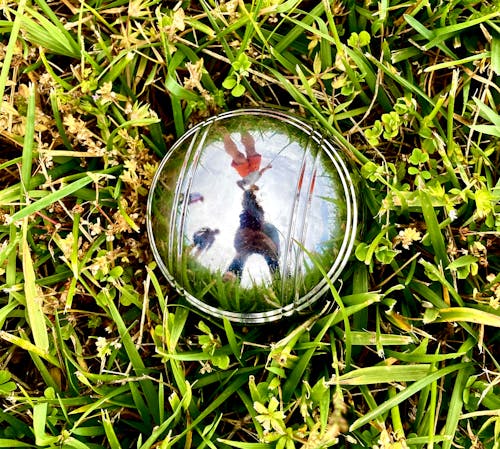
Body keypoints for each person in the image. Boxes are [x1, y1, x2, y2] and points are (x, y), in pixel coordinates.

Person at [223, 187, 280, 281]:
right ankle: (231, 278)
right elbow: (237, 248)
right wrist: (242, 246)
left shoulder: (270, 229)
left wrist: (268, 246)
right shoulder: (242, 231)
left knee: (272, 259)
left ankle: (278, 281)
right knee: (240, 256)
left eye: (256, 226)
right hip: (246, 245)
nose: (254, 233)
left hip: (267, 243)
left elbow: (276, 254)